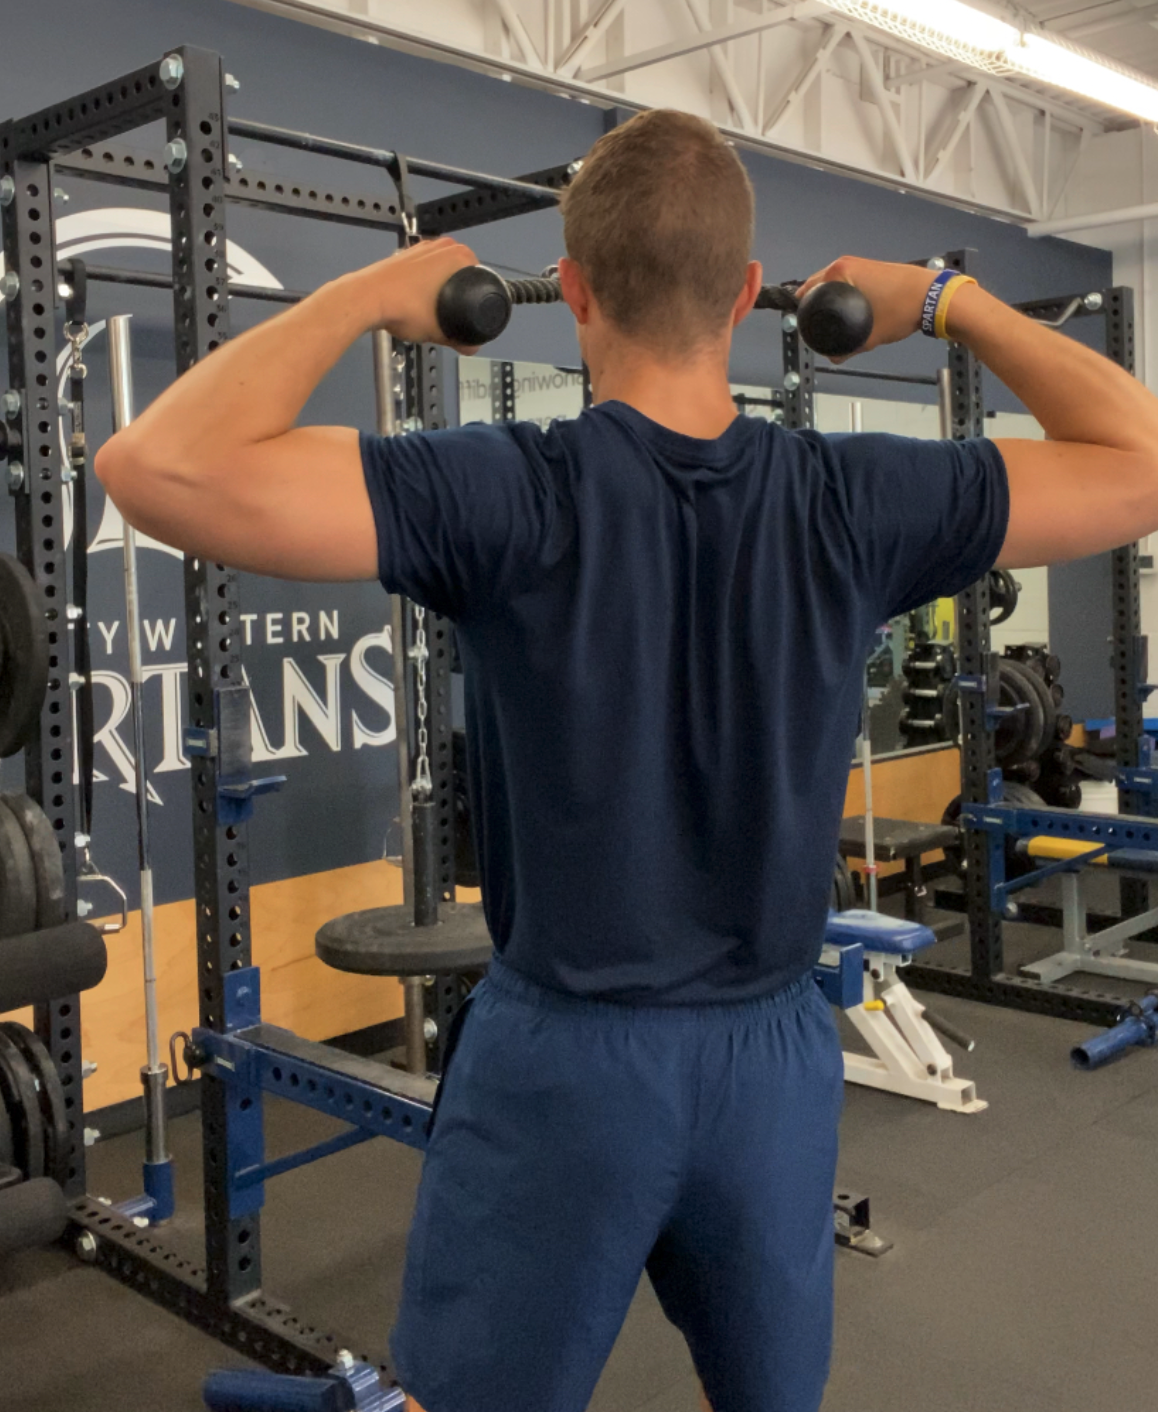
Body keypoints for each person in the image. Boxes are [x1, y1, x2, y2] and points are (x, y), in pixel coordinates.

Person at [97, 108, 1158, 1412]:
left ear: (575, 290)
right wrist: (949, 301)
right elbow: (1140, 457)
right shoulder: (853, 499)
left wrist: (376, 292)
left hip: (563, 1066)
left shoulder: (501, 490)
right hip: (771, 1062)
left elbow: (153, 467)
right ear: (753, 295)